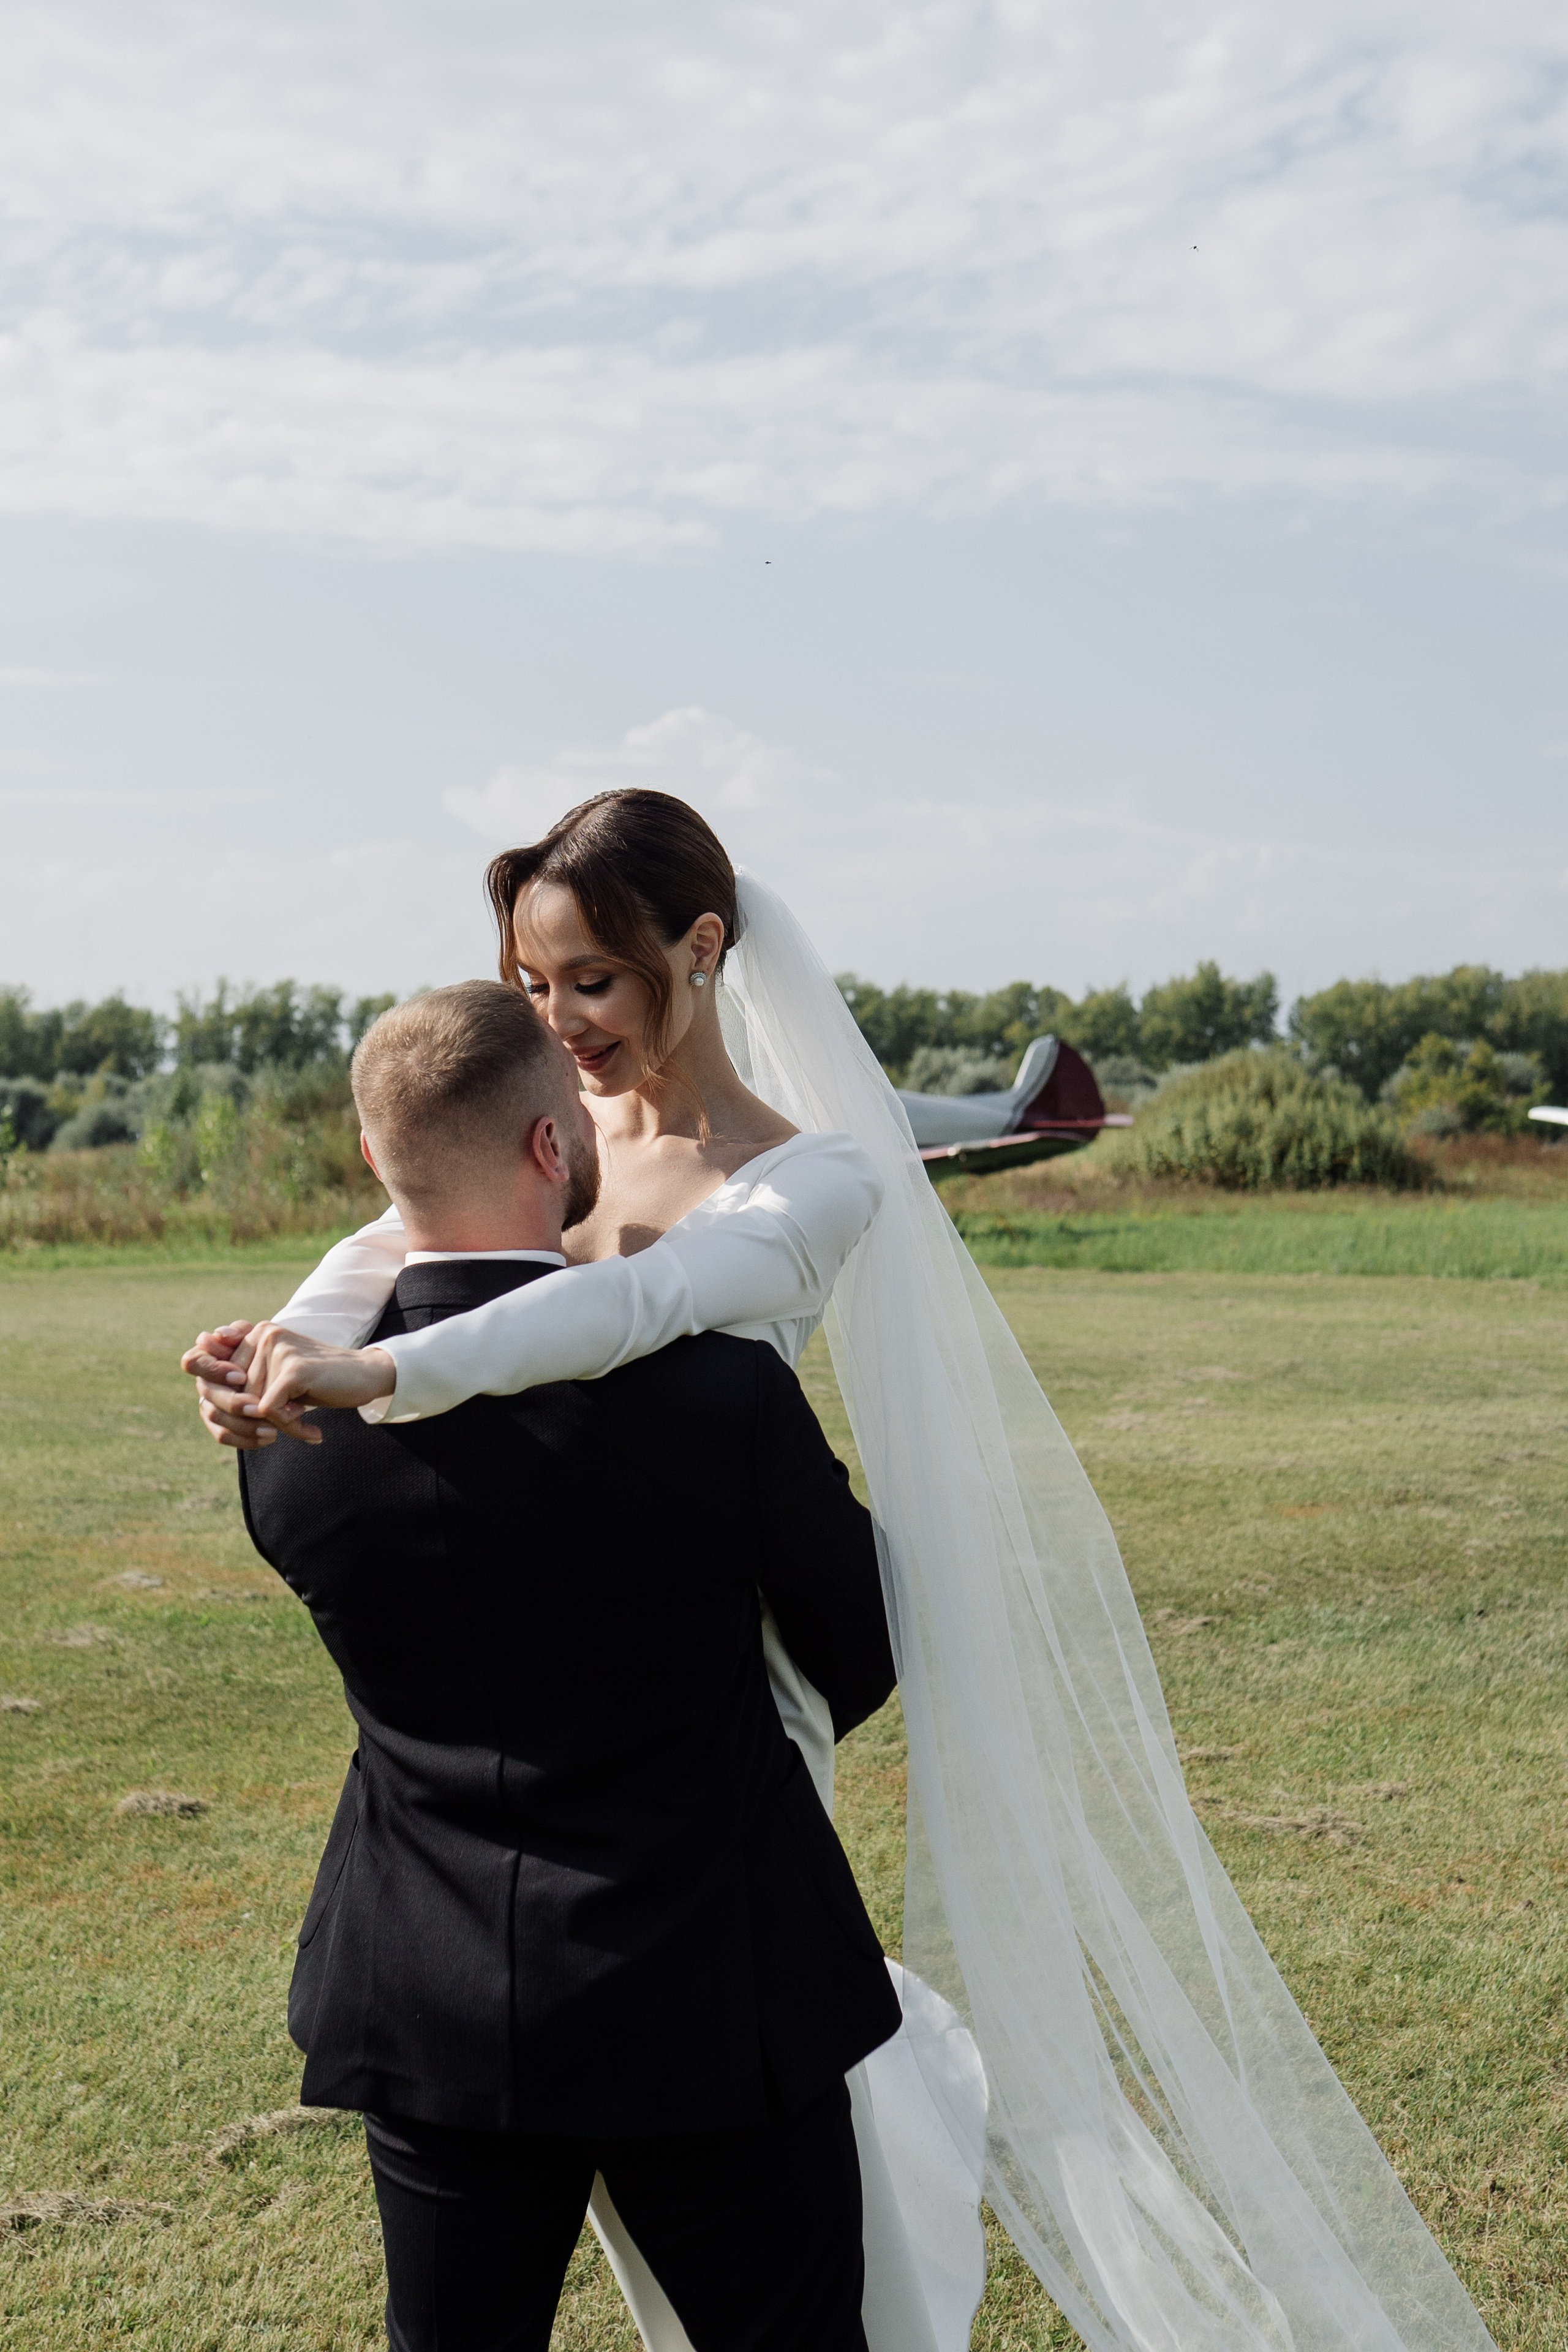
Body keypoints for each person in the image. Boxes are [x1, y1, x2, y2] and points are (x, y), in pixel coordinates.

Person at [187, 792, 1498, 2352]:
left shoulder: (806, 1179)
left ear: (702, 950)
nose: (561, 1021)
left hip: (696, 1710)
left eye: (591, 981)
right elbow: (377, 1256)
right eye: (533, 990)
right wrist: (273, 1358)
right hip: (587, 1713)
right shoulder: (538, 1132)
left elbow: (620, 1314)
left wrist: (377, 1382)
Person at [238, 978, 902, 2352]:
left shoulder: (288, 1453)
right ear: (554, 1151)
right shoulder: (724, 1397)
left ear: (376, 1160)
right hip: (719, 1988)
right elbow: (859, 1651)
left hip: (435, 1999)